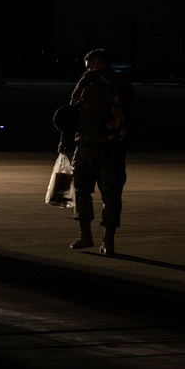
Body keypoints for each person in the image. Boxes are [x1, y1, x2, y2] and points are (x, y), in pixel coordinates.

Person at [58, 48, 135, 255]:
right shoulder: (123, 83)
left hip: (87, 146)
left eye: (89, 65)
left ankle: (85, 235)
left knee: (82, 191)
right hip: (114, 148)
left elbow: (70, 116)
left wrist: (64, 143)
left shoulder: (86, 82)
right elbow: (132, 114)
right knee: (112, 195)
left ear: (95, 62)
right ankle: (108, 241)